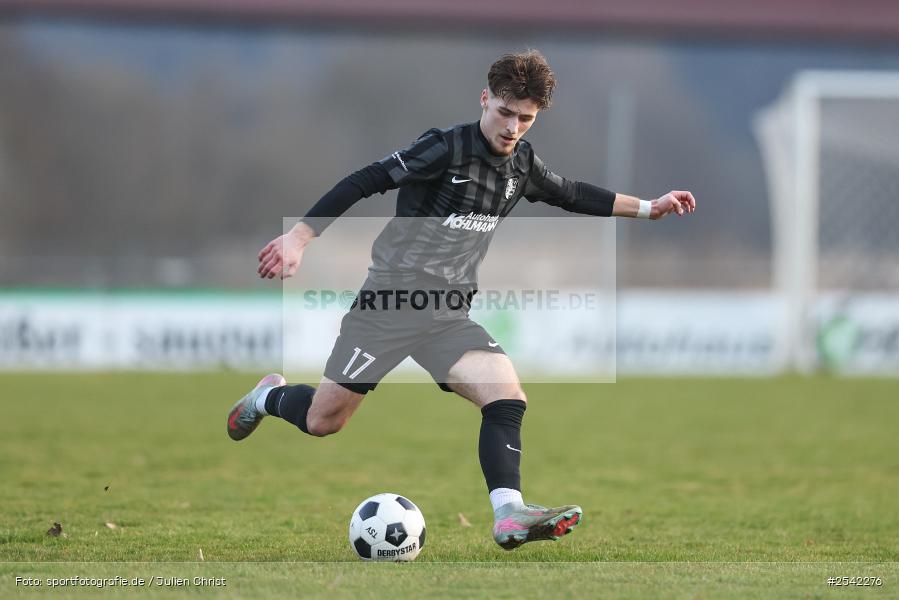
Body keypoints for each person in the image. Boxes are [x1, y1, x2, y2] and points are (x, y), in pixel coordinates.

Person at [228, 50, 695, 550]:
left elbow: (574, 193)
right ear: (485, 98)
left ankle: (509, 513)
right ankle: (267, 397)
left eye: (526, 118)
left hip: (447, 316)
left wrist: (651, 208)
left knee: (507, 397)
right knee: (325, 420)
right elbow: (365, 181)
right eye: (505, 112)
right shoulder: (443, 149)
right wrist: (299, 237)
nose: (513, 126)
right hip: (387, 306)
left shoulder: (523, 165)